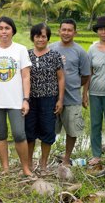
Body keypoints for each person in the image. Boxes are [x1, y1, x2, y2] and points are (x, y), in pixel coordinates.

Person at [0, 16, 33, 177]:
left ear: (12, 31)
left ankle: (25, 168)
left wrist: (26, 99)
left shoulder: (21, 49)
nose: (4, 31)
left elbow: (26, 76)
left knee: (19, 134)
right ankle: (5, 168)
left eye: (7, 28)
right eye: (1, 28)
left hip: (16, 101)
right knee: (1, 134)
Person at [49, 18, 90, 166]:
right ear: (59, 31)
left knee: (72, 131)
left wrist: (74, 85)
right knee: (48, 129)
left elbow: (86, 75)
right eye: (63, 30)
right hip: (52, 98)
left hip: (72, 98)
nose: (66, 33)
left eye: (69, 30)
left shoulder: (80, 52)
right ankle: (45, 159)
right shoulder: (51, 48)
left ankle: (66, 159)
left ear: (75, 32)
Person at [25, 23, 65, 174]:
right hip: (30, 99)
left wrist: (60, 100)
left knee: (48, 132)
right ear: (32, 38)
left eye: (43, 36)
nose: (40, 39)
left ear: (48, 38)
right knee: (29, 132)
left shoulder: (55, 56)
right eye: (37, 36)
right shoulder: (26, 54)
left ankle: (43, 165)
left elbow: (61, 78)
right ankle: (28, 164)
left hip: (49, 99)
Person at [82, 16, 105, 167]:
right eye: (101, 29)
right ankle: (96, 155)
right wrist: (85, 93)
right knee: (95, 125)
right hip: (95, 92)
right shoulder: (91, 49)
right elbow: (89, 72)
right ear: (97, 31)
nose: (103, 31)